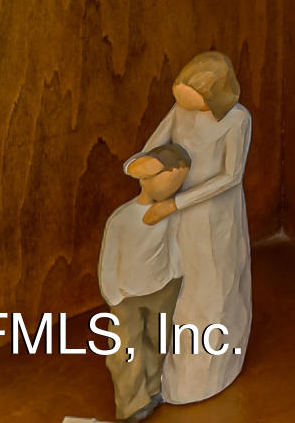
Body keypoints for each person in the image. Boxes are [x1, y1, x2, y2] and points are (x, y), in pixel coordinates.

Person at [140, 52, 253, 400]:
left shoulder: (237, 120)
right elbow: (154, 147)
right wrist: (147, 174)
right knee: (178, 291)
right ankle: (172, 377)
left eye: (194, 100)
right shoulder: (180, 111)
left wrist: (177, 202)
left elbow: (231, 176)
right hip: (176, 214)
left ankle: (210, 372)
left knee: (213, 290)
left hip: (216, 217)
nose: (185, 107)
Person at [98, 142, 188, 421]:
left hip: (163, 289)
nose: (173, 187)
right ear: (146, 178)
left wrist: (175, 275)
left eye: (178, 182)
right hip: (127, 297)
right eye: (169, 180)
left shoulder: (170, 213)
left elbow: (173, 244)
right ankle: (131, 405)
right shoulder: (122, 219)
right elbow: (109, 260)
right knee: (125, 351)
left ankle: (152, 390)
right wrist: (114, 296)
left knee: (158, 342)